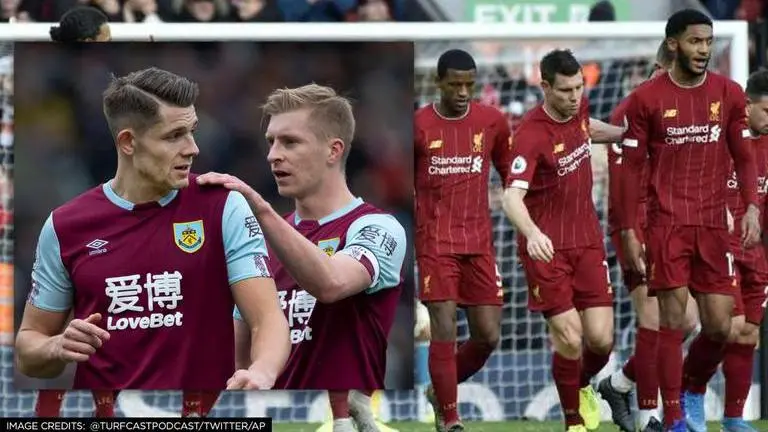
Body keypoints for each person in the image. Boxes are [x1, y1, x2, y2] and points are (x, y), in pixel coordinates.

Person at [15, 68, 290, 396]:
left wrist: (261, 371)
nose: (192, 148)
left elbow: (267, 320)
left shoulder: (222, 207)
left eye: (192, 132)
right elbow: (29, 348)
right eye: (174, 136)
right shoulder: (65, 226)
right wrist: (56, 346)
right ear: (128, 142)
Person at [207, 83, 406, 432]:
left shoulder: (377, 227)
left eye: (290, 142)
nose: (273, 155)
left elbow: (331, 283)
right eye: (271, 142)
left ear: (333, 150)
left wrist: (261, 212)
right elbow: (238, 356)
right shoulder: (258, 241)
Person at [618, 9, 761, 431]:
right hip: (666, 225)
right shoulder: (646, 99)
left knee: (719, 327)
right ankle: (675, 418)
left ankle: (692, 387)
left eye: (708, 41)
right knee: (673, 321)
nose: (703, 49)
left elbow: (744, 157)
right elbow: (629, 169)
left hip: (714, 226)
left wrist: (752, 206)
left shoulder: (728, 93)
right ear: (673, 43)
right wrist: (629, 229)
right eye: (695, 41)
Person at [502, 48, 626, 432]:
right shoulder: (530, 135)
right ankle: (573, 422)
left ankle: (584, 384)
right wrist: (532, 233)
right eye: (565, 91)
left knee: (601, 341)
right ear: (545, 87)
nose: (574, 97)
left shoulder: (580, 109)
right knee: (570, 338)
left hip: (587, 240)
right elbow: (511, 197)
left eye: (578, 88)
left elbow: (589, 128)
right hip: (546, 249)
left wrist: (624, 134)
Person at [598, 41, 699, 432]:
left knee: (687, 321)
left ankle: (620, 384)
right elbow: (622, 182)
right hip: (636, 225)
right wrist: (630, 233)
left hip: (670, 222)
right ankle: (648, 417)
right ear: (662, 67)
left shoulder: (681, 108)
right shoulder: (632, 109)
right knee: (653, 319)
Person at [413, 48, 513, 432]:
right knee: (444, 329)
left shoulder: (492, 122)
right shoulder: (418, 126)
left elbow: (512, 174)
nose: (462, 92)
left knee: (487, 335)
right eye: (455, 84)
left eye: (469, 85)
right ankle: (451, 418)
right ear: (439, 83)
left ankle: (440, 392)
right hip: (435, 242)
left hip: (479, 243)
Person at [681, 69, 768, 432]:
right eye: (767, 110)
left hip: (755, 251)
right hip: (718, 244)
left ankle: (734, 417)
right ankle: (691, 390)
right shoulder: (720, 138)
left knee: (748, 333)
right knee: (727, 327)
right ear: (747, 105)